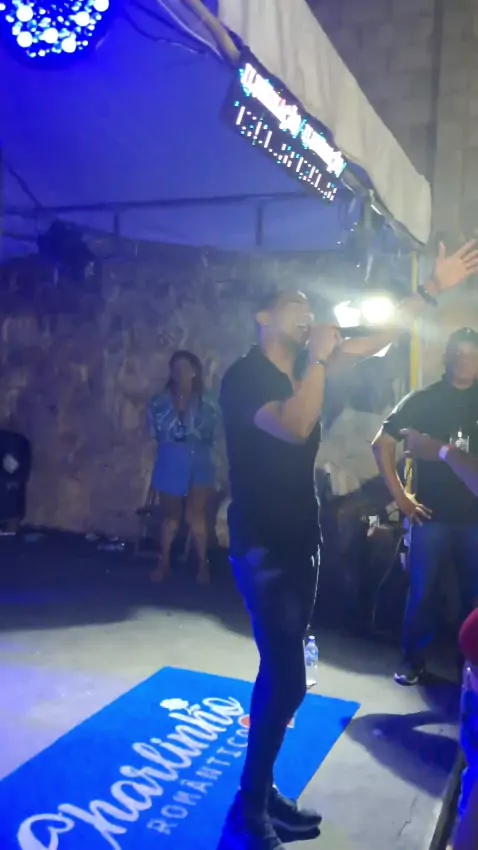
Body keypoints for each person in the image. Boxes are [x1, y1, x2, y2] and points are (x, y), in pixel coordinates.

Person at [217, 238, 478, 850]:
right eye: (294, 306)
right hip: (262, 545)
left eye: (310, 308)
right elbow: (296, 424)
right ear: (263, 317)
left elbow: (378, 339)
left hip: (298, 538)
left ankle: (260, 791)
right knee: (285, 675)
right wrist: (319, 359)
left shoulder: (308, 366)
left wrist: (430, 289)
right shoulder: (245, 378)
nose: (307, 314)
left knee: (284, 673)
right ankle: (249, 806)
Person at [372, 327, 478, 686]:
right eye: (458, 353)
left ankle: (471, 666)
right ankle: (412, 660)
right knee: (422, 593)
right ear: (447, 357)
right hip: (429, 515)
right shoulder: (424, 400)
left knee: (475, 598)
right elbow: (381, 444)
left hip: (475, 518)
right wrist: (400, 497)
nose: (465, 360)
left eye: (472, 354)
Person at [148, 350, 218, 585]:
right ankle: (163, 563)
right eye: (176, 368)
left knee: (196, 514)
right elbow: (153, 431)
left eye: (186, 367)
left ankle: (203, 566)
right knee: (171, 516)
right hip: (171, 458)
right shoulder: (159, 402)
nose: (181, 373)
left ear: (195, 371)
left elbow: (215, 431)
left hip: (199, 457)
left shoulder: (208, 401)